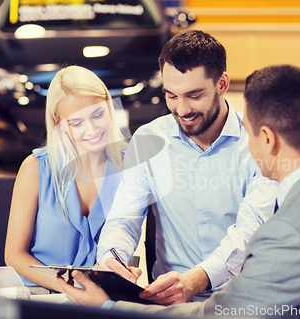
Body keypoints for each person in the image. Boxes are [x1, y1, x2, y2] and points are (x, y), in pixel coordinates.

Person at [58, 64, 300, 318]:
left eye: (247, 133)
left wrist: (109, 306)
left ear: (268, 138)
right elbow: (125, 217)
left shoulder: (286, 235)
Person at [95, 29, 278, 304]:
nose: (181, 110)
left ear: (222, 84)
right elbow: (124, 219)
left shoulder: (258, 143)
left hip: (242, 300)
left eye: (194, 95)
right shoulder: (148, 140)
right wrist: (113, 259)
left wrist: (195, 280)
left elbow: (250, 233)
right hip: (170, 302)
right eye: (171, 95)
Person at [5, 65, 129, 294]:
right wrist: (68, 289)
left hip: (107, 298)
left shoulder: (131, 165)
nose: (92, 130)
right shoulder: (35, 169)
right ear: (59, 124)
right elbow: (14, 255)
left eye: (97, 114)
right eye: (76, 122)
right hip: (44, 294)